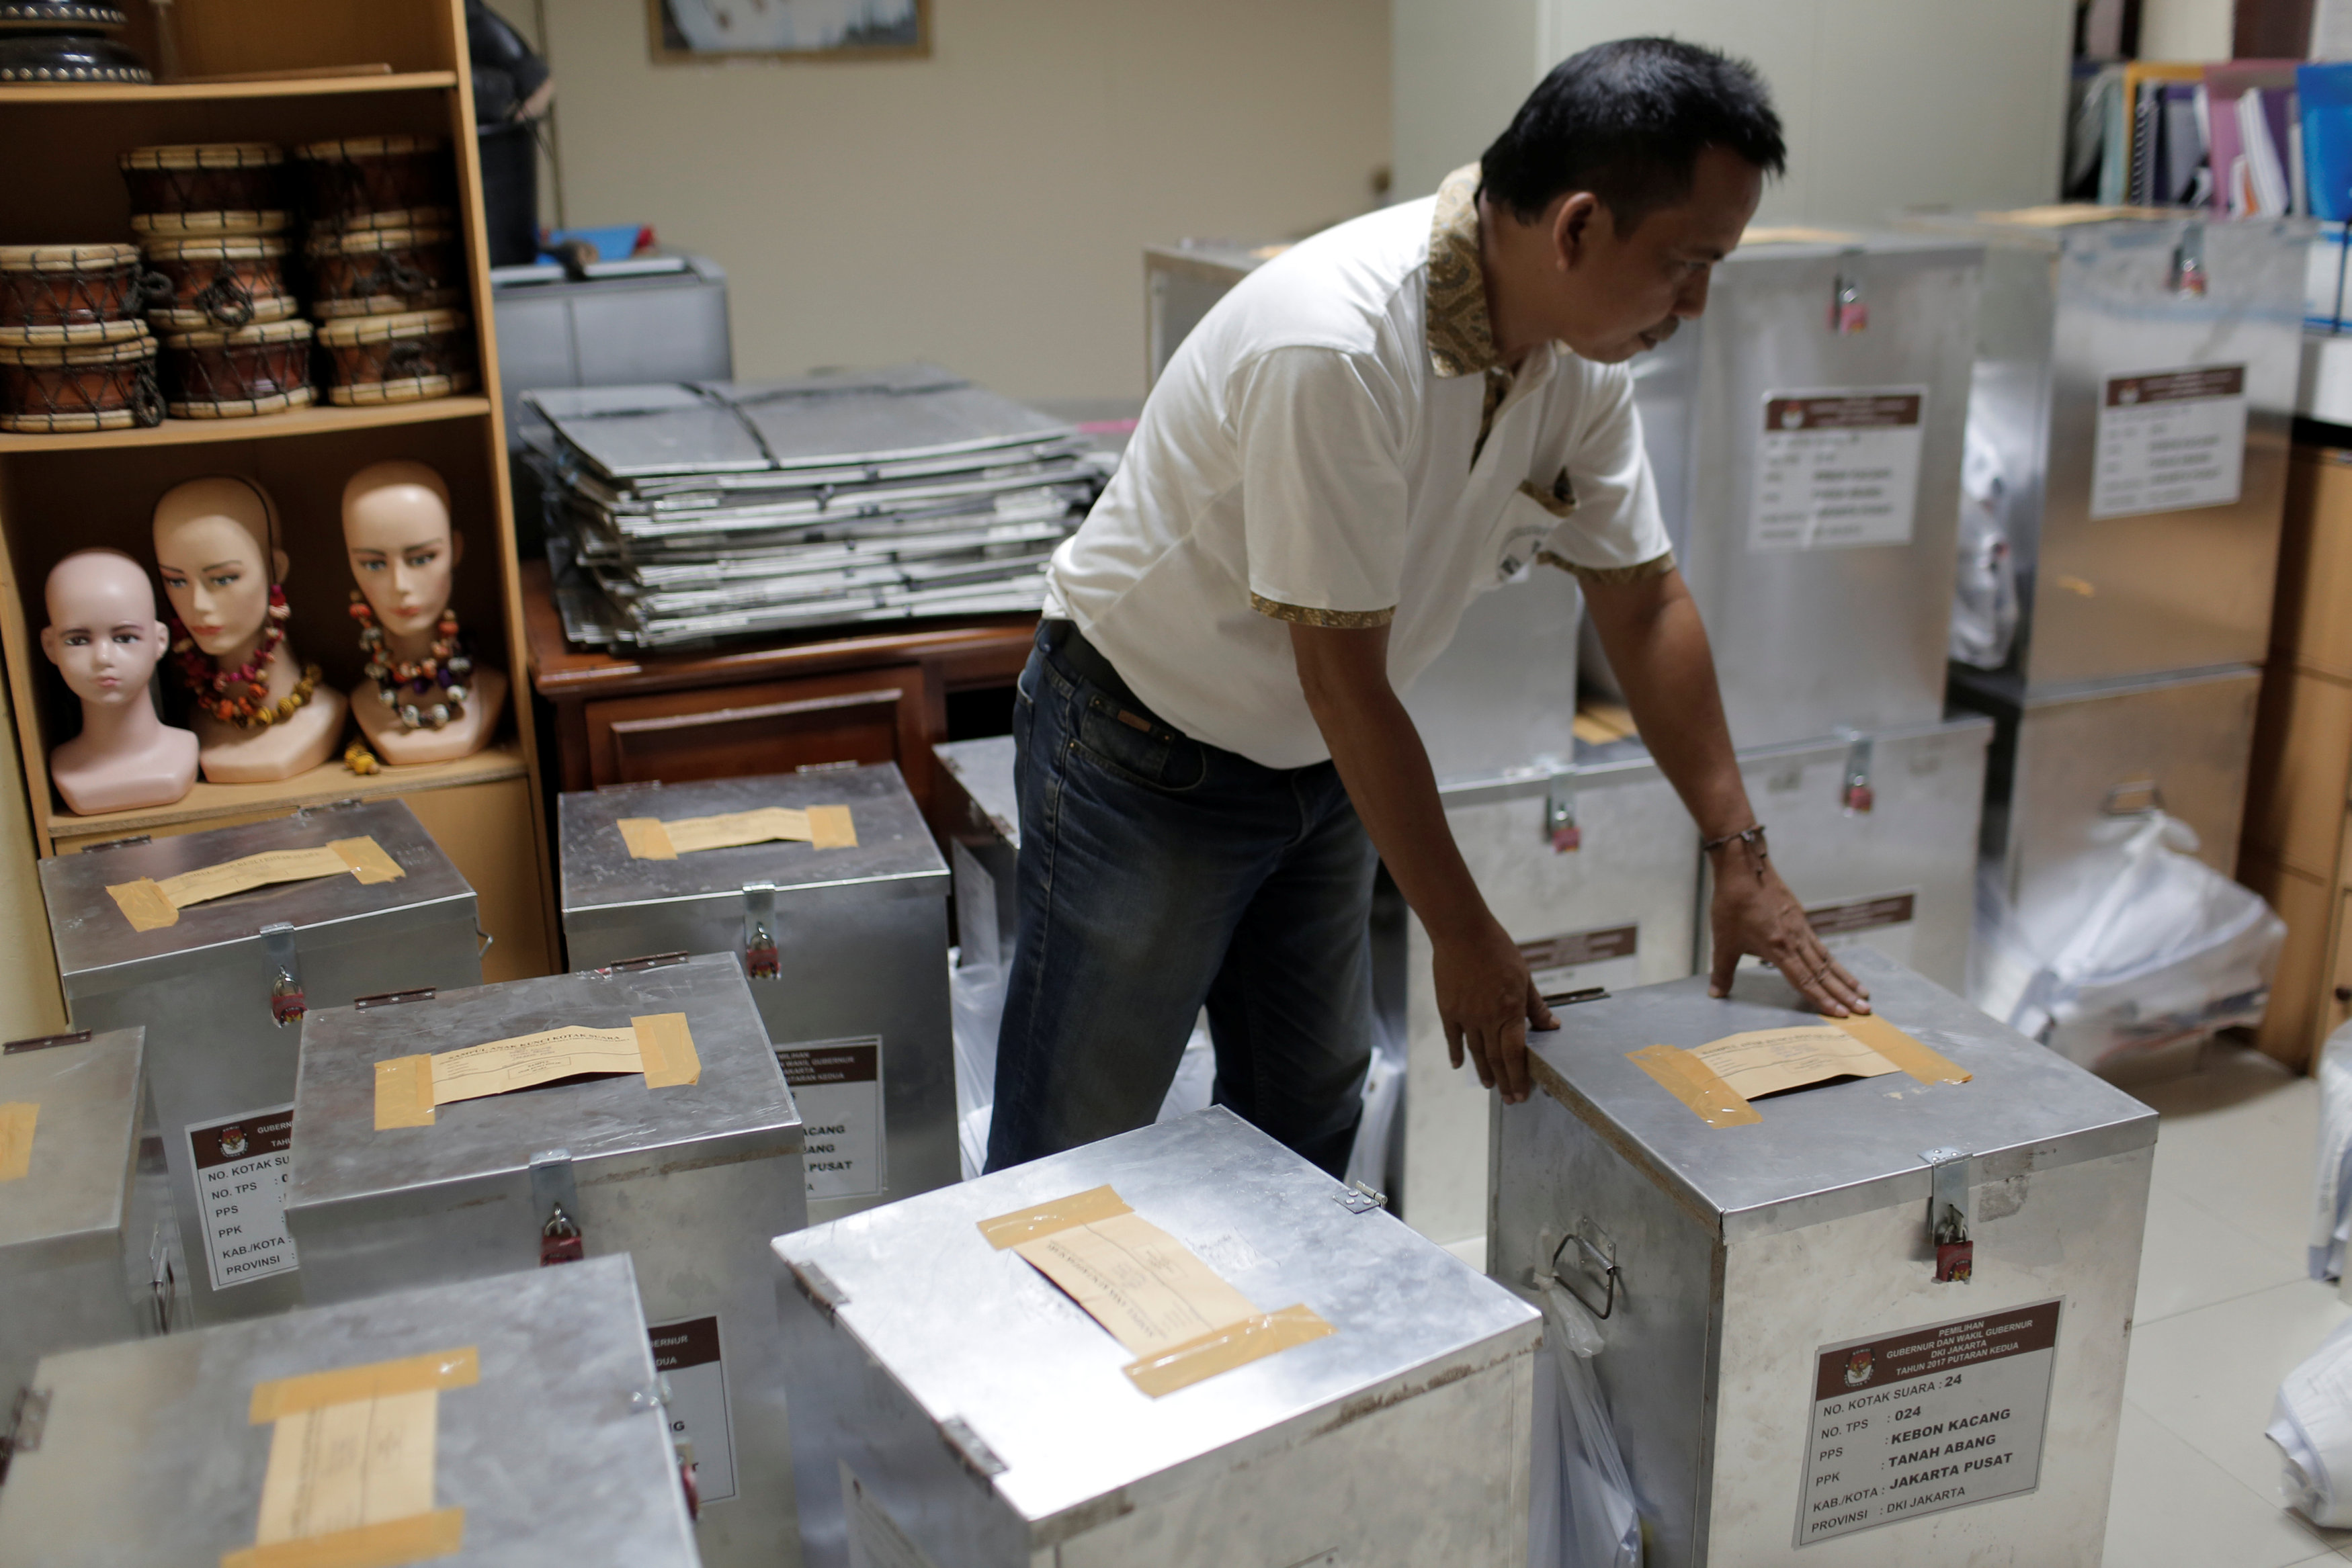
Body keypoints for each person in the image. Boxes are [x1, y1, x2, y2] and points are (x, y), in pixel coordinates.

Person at [987, 36, 1870, 1180]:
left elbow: (1643, 600)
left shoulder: (1578, 363)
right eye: (1686, 264)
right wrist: (1464, 932)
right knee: (1078, 1137)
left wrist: (1739, 853)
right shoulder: (1344, 346)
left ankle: (1279, 1351)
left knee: (1309, 1108)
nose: (1694, 305)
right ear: (1579, 227)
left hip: (1321, 760)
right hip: (1146, 750)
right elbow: (1340, 675)